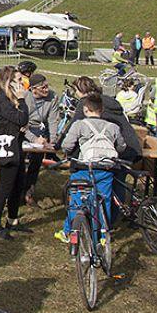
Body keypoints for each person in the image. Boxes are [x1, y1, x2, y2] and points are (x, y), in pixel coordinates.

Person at [58, 93, 127, 243]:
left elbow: (67, 145)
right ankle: (103, 235)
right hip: (106, 169)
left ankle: (69, 231)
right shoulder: (113, 127)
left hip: (85, 167)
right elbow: (121, 147)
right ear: (101, 110)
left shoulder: (80, 125)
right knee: (104, 200)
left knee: (76, 199)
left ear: (86, 109)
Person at [0, 66, 29, 238]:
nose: (22, 83)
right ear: (9, 82)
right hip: (7, 147)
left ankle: (12, 219)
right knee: (5, 186)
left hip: (16, 145)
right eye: (18, 80)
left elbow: (20, 120)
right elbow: (21, 118)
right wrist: (23, 101)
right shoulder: (2, 99)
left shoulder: (11, 99)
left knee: (18, 184)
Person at [22, 73, 56, 202]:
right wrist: (33, 139)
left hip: (41, 130)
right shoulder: (25, 98)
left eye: (47, 86)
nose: (46, 89)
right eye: (43, 87)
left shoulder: (53, 97)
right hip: (25, 129)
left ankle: (29, 192)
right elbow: (21, 125)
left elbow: (53, 120)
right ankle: (17, 191)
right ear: (33, 89)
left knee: (36, 163)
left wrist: (53, 141)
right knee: (20, 164)